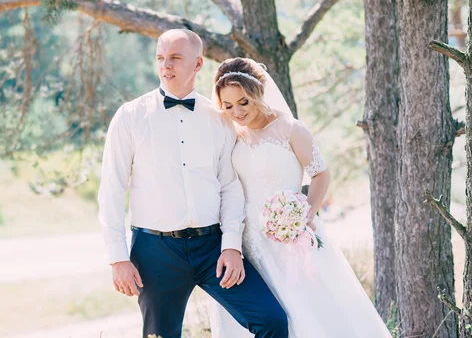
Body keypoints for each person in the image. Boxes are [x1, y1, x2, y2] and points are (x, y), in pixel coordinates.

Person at [97, 29, 288, 338]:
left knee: (271, 320)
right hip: (155, 251)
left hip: (212, 248)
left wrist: (231, 247)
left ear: (198, 64)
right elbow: (112, 190)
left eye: (175, 58)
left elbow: (230, 186)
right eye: (160, 58)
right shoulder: (130, 117)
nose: (165, 66)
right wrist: (117, 257)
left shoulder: (219, 118)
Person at [208, 57, 392, 338]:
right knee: (266, 314)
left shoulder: (290, 128)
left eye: (243, 102)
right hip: (249, 240)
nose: (237, 112)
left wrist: (304, 216)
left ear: (257, 91)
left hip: (291, 237)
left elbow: (320, 174)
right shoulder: (232, 135)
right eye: (228, 105)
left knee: (307, 308)